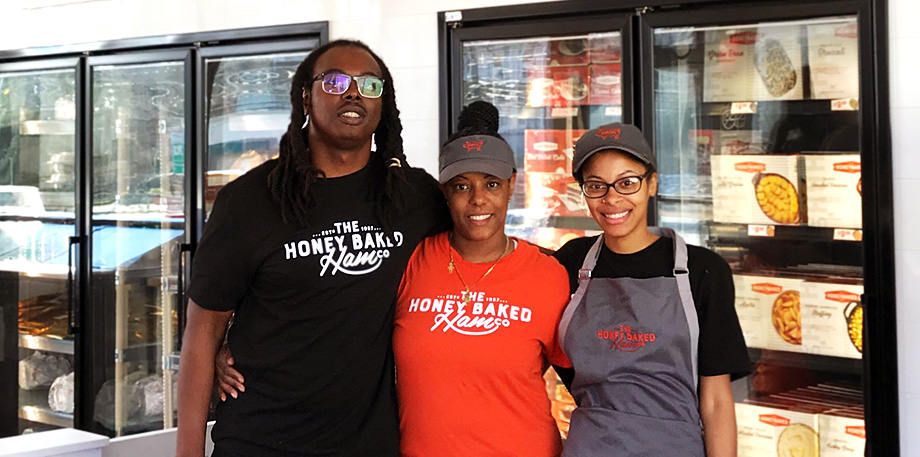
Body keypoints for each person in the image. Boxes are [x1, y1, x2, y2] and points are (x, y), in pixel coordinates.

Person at [216, 101, 572, 457]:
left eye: (492, 184)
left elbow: (595, 378)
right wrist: (240, 343)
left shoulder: (548, 275)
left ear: (512, 186)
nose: (478, 199)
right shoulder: (412, 260)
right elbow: (329, 305)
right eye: (462, 186)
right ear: (443, 191)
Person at [175, 39, 450, 457]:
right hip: (260, 441)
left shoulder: (413, 196)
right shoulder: (250, 201)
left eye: (369, 84)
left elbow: (478, 252)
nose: (354, 93)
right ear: (306, 96)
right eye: (336, 81)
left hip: (369, 445)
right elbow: (203, 330)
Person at [551, 122, 750, 457]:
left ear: (651, 184)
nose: (612, 199)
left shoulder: (702, 271)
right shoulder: (570, 263)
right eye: (596, 186)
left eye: (627, 183)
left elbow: (716, 401)